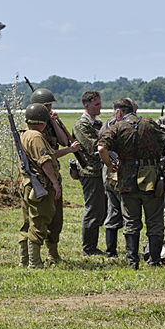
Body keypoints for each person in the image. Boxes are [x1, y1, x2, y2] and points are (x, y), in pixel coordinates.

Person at [98, 99, 165, 269]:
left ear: (119, 113)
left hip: (126, 180)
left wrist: (109, 165)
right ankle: (154, 261)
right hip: (151, 178)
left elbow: (101, 148)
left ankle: (132, 261)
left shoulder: (117, 127)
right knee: (155, 221)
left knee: (130, 222)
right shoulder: (149, 123)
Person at [17, 103, 80, 269]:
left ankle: (24, 260)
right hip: (39, 184)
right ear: (43, 121)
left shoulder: (25, 133)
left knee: (28, 223)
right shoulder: (36, 137)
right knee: (39, 223)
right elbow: (45, 161)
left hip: (28, 184)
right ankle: (35, 263)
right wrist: (54, 182)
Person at [30, 88, 71, 262]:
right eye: (46, 106)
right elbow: (49, 154)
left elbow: (63, 141)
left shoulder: (48, 123)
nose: (49, 108)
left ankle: (52, 253)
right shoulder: (34, 129)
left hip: (53, 173)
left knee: (57, 218)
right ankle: (33, 258)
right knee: (40, 219)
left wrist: (54, 122)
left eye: (49, 105)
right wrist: (69, 151)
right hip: (42, 176)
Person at [96, 99, 138, 258]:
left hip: (110, 171)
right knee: (128, 213)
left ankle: (111, 251)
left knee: (113, 212)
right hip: (120, 172)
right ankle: (128, 252)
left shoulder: (107, 125)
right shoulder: (120, 127)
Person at [72, 91, 107, 256]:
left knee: (101, 209)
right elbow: (93, 146)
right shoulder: (81, 125)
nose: (100, 107)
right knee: (93, 209)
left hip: (99, 170)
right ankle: (89, 248)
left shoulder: (96, 122)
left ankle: (93, 246)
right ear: (86, 106)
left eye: (100, 103)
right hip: (89, 171)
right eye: (96, 104)